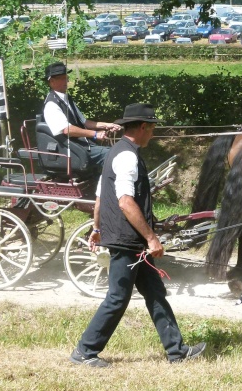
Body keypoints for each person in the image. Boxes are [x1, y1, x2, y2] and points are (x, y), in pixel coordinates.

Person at [70, 103, 206, 367]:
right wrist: (151, 238)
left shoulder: (115, 154)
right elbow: (124, 202)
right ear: (143, 127)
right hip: (127, 240)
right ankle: (85, 351)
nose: (153, 134)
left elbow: (99, 198)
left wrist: (97, 229)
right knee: (118, 297)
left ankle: (176, 351)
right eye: (152, 128)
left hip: (127, 239)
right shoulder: (128, 157)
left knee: (155, 291)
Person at [42, 61, 123, 172]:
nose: (67, 80)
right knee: (112, 154)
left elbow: (84, 122)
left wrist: (107, 125)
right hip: (71, 150)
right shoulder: (51, 104)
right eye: (62, 78)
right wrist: (94, 134)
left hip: (81, 145)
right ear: (51, 81)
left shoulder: (66, 99)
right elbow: (67, 129)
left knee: (116, 151)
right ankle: (110, 186)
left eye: (67, 77)